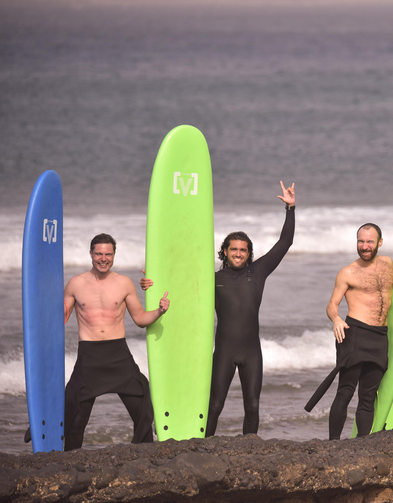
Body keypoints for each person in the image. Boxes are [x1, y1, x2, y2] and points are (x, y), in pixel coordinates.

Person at [144, 182, 296, 436]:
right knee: (214, 406)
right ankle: (204, 447)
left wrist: (290, 209)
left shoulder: (257, 273)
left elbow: (285, 242)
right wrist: (152, 282)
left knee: (253, 406)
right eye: (233, 249)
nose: (238, 253)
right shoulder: (212, 279)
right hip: (225, 351)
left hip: (252, 352)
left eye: (243, 250)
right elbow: (180, 283)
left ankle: (249, 448)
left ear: (249, 253)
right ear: (225, 251)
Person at [62, 233, 170, 450]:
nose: (103, 259)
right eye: (99, 254)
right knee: (75, 418)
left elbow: (140, 319)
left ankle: (144, 455)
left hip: (118, 354)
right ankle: (69, 459)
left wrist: (159, 311)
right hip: (89, 357)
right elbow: (59, 319)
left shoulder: (124, 283)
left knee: (142, 408)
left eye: (108, 254)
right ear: (91, 254)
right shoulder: (75, 284)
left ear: (114, 255)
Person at [304, 223, 393, 440]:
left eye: (369, 241)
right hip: (355, 334)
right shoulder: (348, 272)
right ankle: (334, 443)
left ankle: (362, 443)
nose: (364, 246)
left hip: (380, 335)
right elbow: (332, 304)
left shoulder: (388, 264)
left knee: (368, 396)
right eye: (360, 241)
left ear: (380, 243)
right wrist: (336, 319)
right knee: (345, 392)